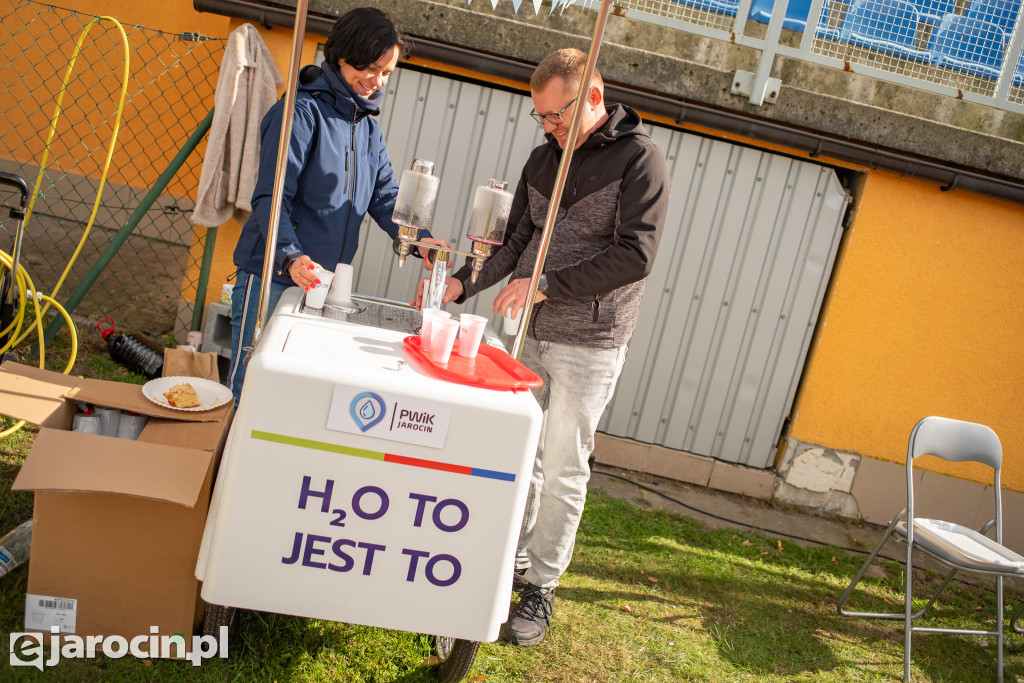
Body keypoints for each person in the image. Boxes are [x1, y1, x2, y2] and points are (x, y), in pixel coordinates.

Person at [416, 48, 671, 646]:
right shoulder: (542, 160)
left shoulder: (642, 161)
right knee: (518, 456)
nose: (550, 127)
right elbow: (515, 243)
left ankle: (541, 586)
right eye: (542, 118)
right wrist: (462, 283)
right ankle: (506, 562)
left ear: (593, 98)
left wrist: (547, 285)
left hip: (591, 341)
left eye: (557, 116)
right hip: (529, 337)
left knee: (562, 466)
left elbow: (637, 256)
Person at [228, 7, 440, 402]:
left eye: (387, 73)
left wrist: (419, 240)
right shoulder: (301, 112)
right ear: (344, 55)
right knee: (249, 393)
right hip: (273, 279)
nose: (376, 82)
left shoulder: (368, 126)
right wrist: (291, 257)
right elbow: (271, 197)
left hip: (321, 287)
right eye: (372, 68)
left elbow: (384, 197)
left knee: (290, 398)